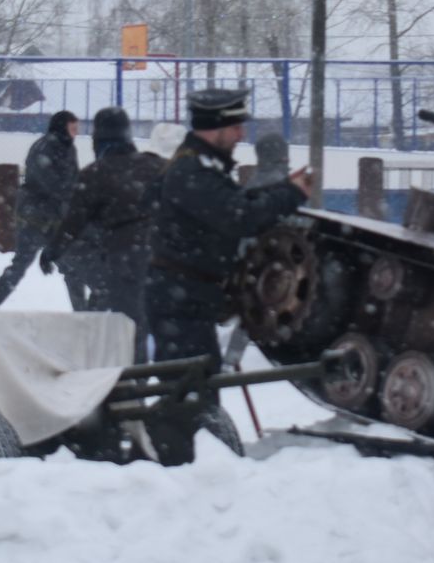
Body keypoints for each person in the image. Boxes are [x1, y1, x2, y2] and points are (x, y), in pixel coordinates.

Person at [145, 88, 311, 365]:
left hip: (188, 296)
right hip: (181, 301)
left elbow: (235, 203)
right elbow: (239, 217)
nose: (241, 135)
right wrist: (290, 194)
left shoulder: (201, 167)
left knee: (194, 389)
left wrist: (284, 189)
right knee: (188, 391)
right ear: (214, 128)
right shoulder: (192, 172)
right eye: (235, 127)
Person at [41, 106, 167, 361]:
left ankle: (137, 385)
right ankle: (178, 386)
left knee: (131, 327)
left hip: (125, 260)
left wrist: (51, 251)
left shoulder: (94, 175)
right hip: (166, 259)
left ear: (98, 139)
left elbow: (72, 223)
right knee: (162, 326)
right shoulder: (158, 166)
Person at [0, 110, 84, 310]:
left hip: (54, 218)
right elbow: (51, 184)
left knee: (71, 269)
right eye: (73, 129)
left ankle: (84, 314)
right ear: (63, 127)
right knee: (20, 266)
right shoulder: (44, 147)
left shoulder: (67, 148)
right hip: (35, 219)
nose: (76, 134)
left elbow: (72, 180)